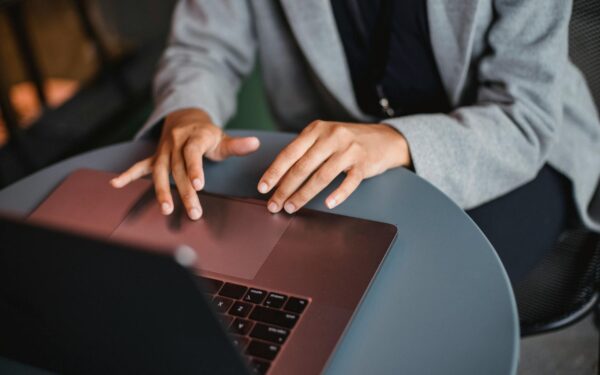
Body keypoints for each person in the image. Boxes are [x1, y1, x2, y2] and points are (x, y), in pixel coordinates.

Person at [111, 0, 600, 283]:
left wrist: (395, 140)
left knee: (412, 298)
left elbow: (526, 117)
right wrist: (189, 110)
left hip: (510, 151)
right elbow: (203, 47)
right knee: (285, 289)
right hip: (345, 153)